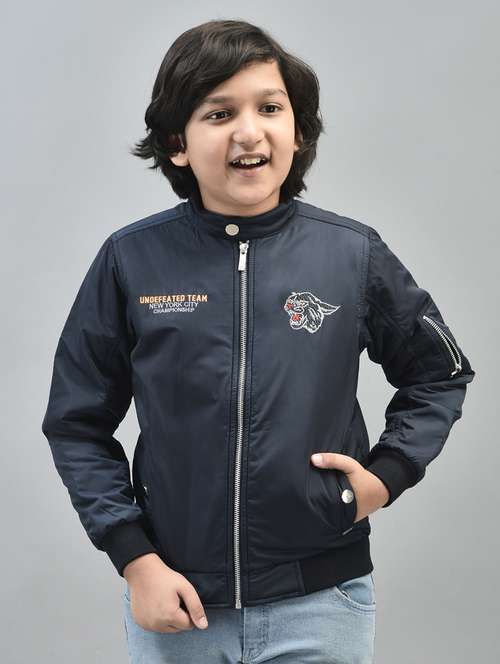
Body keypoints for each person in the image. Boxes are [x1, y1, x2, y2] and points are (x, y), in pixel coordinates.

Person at [41, 18, 476, 664]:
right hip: (177, 599)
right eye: (219, 113)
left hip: (324, 603)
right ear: (177, 143)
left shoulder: (351, 254)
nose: (249, 132)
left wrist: (386, 477)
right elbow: (76, 423)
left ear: (297, 131)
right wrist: (136, 560)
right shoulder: (131, 261)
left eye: (270, 108)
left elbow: (440, 372)